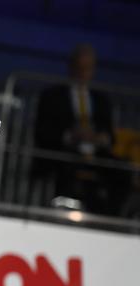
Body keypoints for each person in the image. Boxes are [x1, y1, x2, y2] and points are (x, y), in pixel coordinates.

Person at [34, 44, 121, 214]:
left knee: (122, 172)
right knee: (67, 166)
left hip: (96, 154)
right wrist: (70, 135)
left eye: (87, 68)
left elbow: (110, 135)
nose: (83, 72)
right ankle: (60, 213)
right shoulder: (53, 96)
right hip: (64, 152)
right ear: (71, 67)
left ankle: (111, 219)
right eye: (79, 67)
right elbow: (43, 131)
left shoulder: (101, 100)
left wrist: (100, 138)